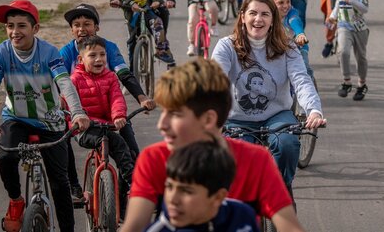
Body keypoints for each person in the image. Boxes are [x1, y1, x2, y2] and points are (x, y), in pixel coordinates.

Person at [121, 58, 306, 232]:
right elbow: (134, 226)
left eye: (175, 114)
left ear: (209, 119)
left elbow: (289, 226)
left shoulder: (256, 160)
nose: (162, 124)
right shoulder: (154, 159)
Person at [0, 0, 90, 232]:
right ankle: (16, 200)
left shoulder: (49, 52)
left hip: (50, 122)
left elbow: (65, 84)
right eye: (10, 26)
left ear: (35, 29)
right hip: (16, 119)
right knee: (6, 157)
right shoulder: (1, 53)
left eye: (21, 26)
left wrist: (77, 113)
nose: (14, 32)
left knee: (60, 184)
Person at [211, 0, 326, 196]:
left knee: (288, 144)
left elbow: (301, 80)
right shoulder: (226, 46)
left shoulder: (287, 47)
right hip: (236, 119)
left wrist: (314, 110)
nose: (258, 19)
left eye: (265, 14)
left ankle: (281, 191)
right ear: (243, 16)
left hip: (276, 115)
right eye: (253, 13)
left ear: (273, 20)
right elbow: (215, 80)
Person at [60, 3, 155, 199]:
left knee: (130, 151)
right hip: (78, 114)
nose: (81, 29)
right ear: (71, 30)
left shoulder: (108, 48)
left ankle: (123, 196)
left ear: (96, 27)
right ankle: (74, 186)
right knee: (60, 137)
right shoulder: (66, 53)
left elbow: (124, 75)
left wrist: (142, 97)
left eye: (87, 24)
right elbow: (57, 83)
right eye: (76, 25)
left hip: (110, 113)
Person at [70, 35, 135, 219]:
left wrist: (118, 116)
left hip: (106, 125)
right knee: (111, 141)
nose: (99, 59)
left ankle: (131, 184)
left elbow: (116, 99)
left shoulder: (111, 77)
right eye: (93, 55)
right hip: (84, 130)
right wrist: (78, 119)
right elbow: (68, 104)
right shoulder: (75, 80)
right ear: (81, 59)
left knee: (123, 150)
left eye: (102, 54)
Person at [145, 139, 260, 231]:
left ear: (218, 197)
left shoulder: (242, 215)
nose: (173, 199)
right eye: (169, 187)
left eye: (186, 191)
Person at [326, 0, 369, 100]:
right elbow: (338, 4)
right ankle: (346, 81)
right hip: (344, 26)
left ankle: (361, 84)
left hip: (360, 28)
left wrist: (352, 1)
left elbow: (365, 9)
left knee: (360, 57)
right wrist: (332, 17)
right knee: (343, 52)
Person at [267, 0, 313, 79]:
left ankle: (311, 88)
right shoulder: (266, 16)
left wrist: (300, 34)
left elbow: (294, 21)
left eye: (288, 1)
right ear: (270, 3)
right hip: (277, 47)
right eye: (280, 3)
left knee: (305, 69)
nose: (286, 6)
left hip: (298, 46)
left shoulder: (292, 13)